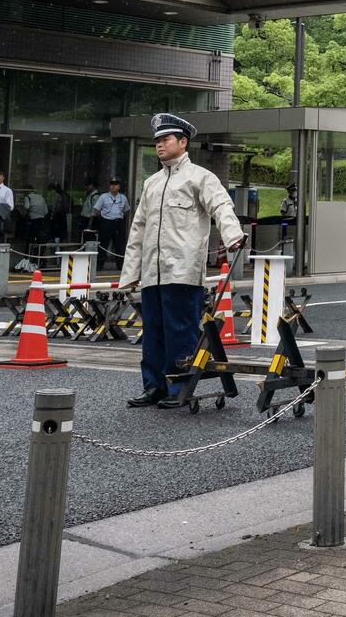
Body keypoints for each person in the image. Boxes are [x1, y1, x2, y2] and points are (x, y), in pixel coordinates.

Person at [119, 114, 243, 408]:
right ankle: (154, 387)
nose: (160, 145)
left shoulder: (200, 177)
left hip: (183, 269)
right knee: (152, 330)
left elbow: (221, 205)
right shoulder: (151, 183)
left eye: (165, 140)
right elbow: (138, 230)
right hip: (153, 271)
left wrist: (232, 235)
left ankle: (179, 388)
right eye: (157, 141)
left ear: (183, 142)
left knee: (180, 329)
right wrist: (130, 273)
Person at [92, 176, 130, 264]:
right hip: (106, 223)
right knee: (103, 244)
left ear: (119, 186)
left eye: (116, 184)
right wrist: (103, 217)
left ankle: (120, 265)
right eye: (112, 184)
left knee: (119, 245)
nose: (113, 186)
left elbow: (126, 211)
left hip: (118, 223)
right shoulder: (103, 197)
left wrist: (119, 217)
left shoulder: (123, 198)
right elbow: (96, 210)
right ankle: (99, 265)